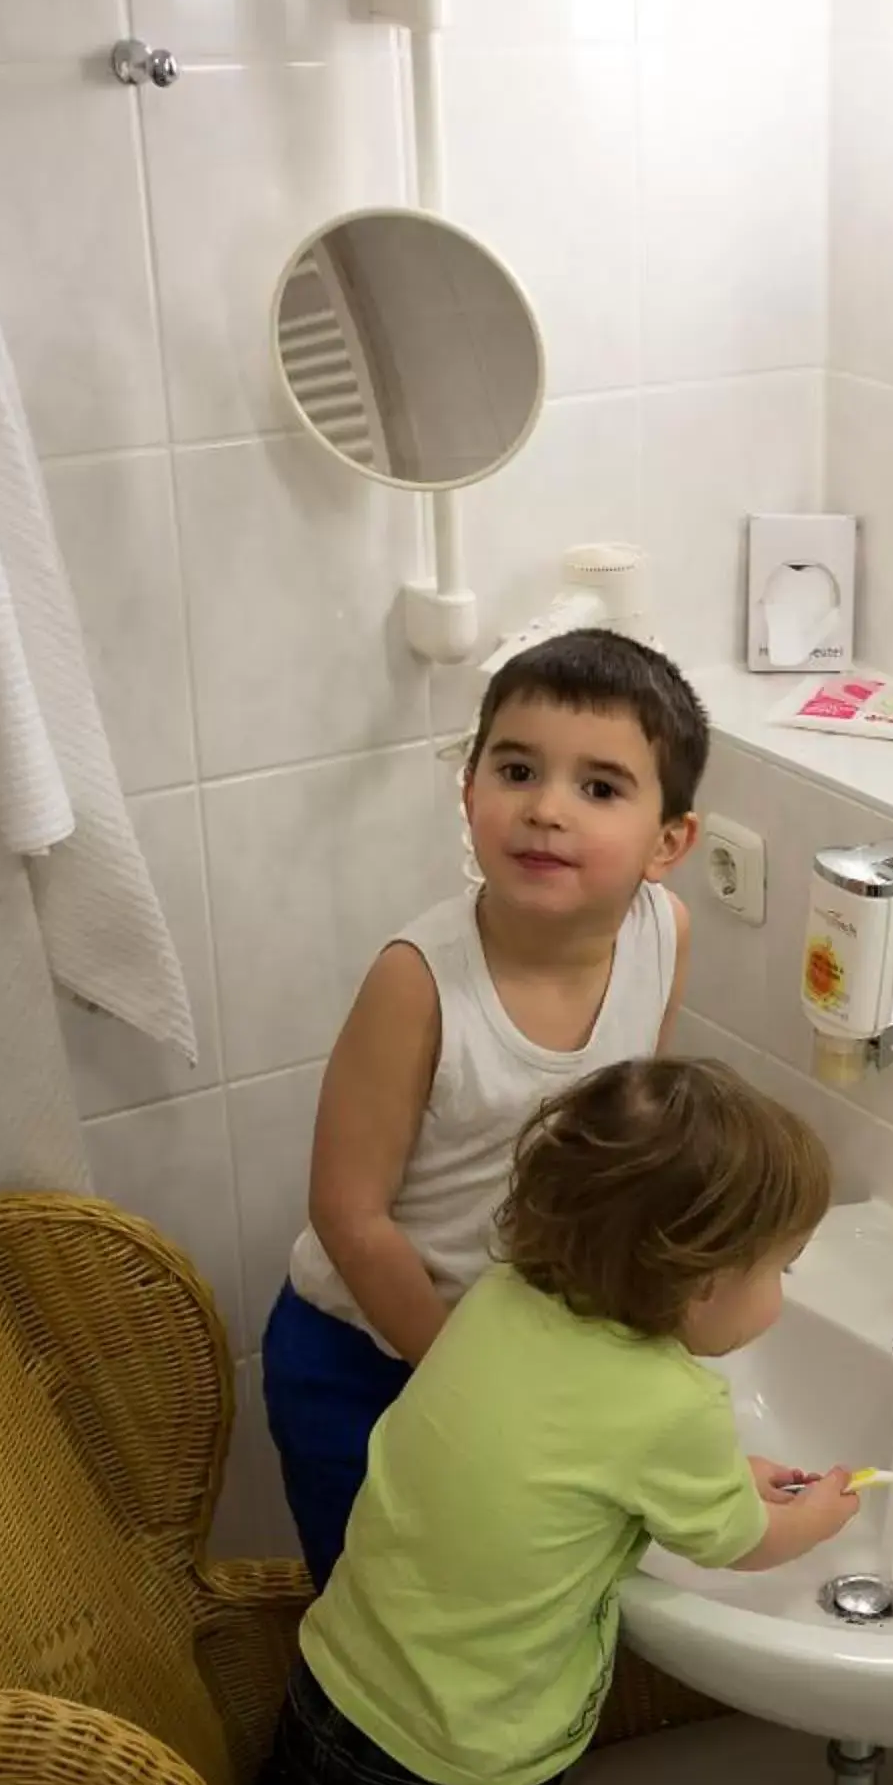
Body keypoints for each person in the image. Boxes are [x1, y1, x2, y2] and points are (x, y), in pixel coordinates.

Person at [248, 1056, 861, 1785]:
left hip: (337, 1701)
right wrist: (819, 1515)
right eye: (779, 1270)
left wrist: (722, 1473)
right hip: (457, 1781)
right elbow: (739, 1543)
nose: (782, 1291)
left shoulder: (509, 1296)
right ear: (700, 1284)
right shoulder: (671, 1401)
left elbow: (567, 1454)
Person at [263, 627, 705, 1589]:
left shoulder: (661, 935)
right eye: (515, 769)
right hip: (364, 1357)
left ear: (669, 842)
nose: (546, 810)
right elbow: (349, 1215)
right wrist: (470, 1377)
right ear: (468, 792)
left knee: (488, 1612)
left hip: (512, 1346)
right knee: (378, 1625)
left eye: (599, 788)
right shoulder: (418, 984)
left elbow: (621, 1150)